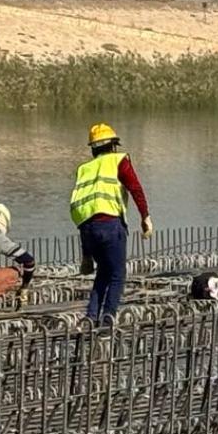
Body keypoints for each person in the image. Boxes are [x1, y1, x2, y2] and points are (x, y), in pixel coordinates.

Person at [70, 122, 153, 326]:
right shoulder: (119, 161)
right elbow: (135, 189)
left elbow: (85, 209)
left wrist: (86, 253)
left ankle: (91, 317)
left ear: (93, 149)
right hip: (110, 225)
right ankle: (108, 318)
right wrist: (145, 216)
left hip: (87, 230)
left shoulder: (84, 169)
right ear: (113, 146)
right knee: (117, 274)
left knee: (103, 272)